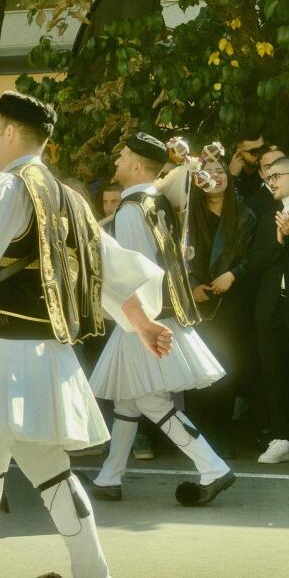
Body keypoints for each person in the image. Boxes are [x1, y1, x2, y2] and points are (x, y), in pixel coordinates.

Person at [0, 91, 172, 578]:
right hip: (40, 353)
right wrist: (142, 322)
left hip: (0, 353)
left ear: (9, 132)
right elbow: (111, 269)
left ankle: (91, 570)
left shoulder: (3, 187)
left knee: (45, 468)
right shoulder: (70, 198)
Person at [86, 133, 233, 507]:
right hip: (160, 310)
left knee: (148, 399)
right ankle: (110, 476)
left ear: (137, 165)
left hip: (144, 314)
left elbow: (133, 270)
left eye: (122, 156)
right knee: (128, 399)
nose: (116, 161)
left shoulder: (133, 207)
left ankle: (212, 466)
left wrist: (134, 317)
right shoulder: (156, 201)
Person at [185, 153, 256, 458]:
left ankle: (222, 433)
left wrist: (234, 275)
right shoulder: (185, 214)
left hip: (229, 302)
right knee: (195, 369)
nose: (214, 175)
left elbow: (253, 256)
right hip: (196, 300)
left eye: (220, 170)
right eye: (207, 171)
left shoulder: (244, 214)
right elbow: (173, 256)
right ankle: (197, 437)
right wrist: (189, 287)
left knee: (225, 367)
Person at [249, 156, 289, 463]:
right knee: (275, 377)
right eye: (268, 176)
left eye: (276, 175)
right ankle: (280, 437)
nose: (271, 181)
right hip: (272, 306)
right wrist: (279, 243)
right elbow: (256, 260)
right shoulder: (268, 213)